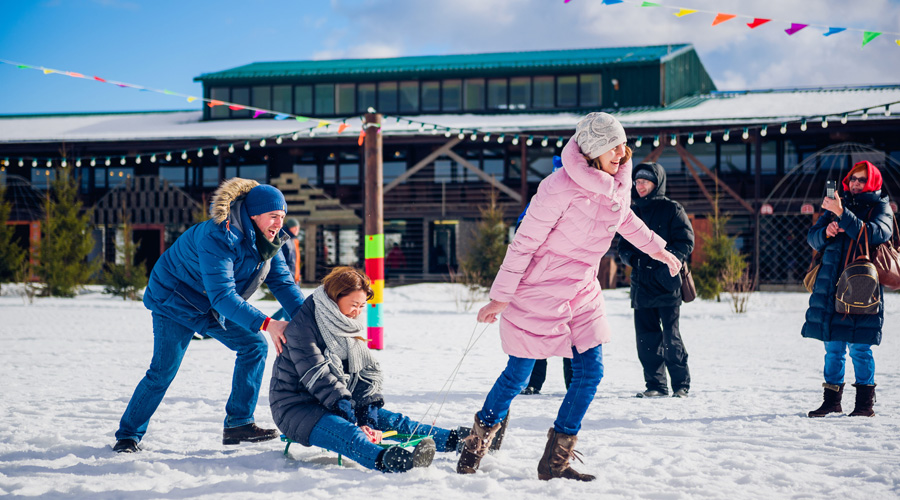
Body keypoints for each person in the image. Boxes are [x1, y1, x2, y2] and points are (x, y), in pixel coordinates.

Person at [457, 112, 681, 481]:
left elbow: (625, 220)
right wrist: (500, 297)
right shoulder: (557, 187)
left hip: (582, 291)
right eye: (614, 146)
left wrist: (660, 250)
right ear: (593, 148)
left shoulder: (617, 183)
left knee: (591, 372)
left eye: (624, 145)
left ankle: (555, 461)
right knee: (517, 375)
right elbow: (523, 243)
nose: (623, 153)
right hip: (538, 291)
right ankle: (475, 443)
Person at [113, 179, 305, 453]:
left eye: (282, 217)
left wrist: (312, 320)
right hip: (174, 301)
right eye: (274, 216)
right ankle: (128, 435)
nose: (279, 223)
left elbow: (285, 285)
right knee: (162, 372)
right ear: (254, 215)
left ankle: (239, 424)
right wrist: (267, 323)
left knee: (253, 346)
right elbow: (224, 296)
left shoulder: (267, 244)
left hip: (209, 304)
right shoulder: (218, 236)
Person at [269, 267, 469, 473]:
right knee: (347, 433)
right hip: (297, 407)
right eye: (353, 305)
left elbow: (365, 376)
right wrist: (353, 420)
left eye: (362, 306)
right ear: (334, 298)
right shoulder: (301, 328)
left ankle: (460, 440)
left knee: (393, 421)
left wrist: (367, 420)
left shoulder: (346, 325)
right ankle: (390, 460)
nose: (357, 312)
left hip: (337, 402)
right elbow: (320, 377)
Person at [802, 161, 893, 418]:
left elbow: (877, 233)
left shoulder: (880, 206)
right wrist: (827, 231)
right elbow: (812, 237)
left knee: (860, 347)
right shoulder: (836, 205)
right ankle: (831, 401)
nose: (855, 183)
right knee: (832, 346)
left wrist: (843, 214)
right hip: (832, 284)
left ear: (873, 182)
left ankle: (865, 405)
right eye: (853, 179)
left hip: (862, 285)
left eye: (861, 180)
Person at [617, 162, 695, 398]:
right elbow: (622, 247)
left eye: (644, 181)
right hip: (641, 284)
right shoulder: (632, 211)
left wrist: (665, 261)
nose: (639, 186)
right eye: (637, 182)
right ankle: (655, 386)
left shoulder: (673, 209)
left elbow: (686, 242)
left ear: (656, 183)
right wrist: (636, 261)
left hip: (667, 283)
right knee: (646, 340)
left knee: (671, 338)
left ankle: (681, 385)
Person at [272, 218, 302, 321]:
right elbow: (279, 258)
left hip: (295, 276)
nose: (297, 230)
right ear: (290, 228)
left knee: (290, 303)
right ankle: (288, 324)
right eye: (295, 228)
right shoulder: (283, 238)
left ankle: (274, 320)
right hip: (288, 276)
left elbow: (296, 260)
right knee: (290, 302)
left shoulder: (294, 240)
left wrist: (298, 275)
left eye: (298, 228)